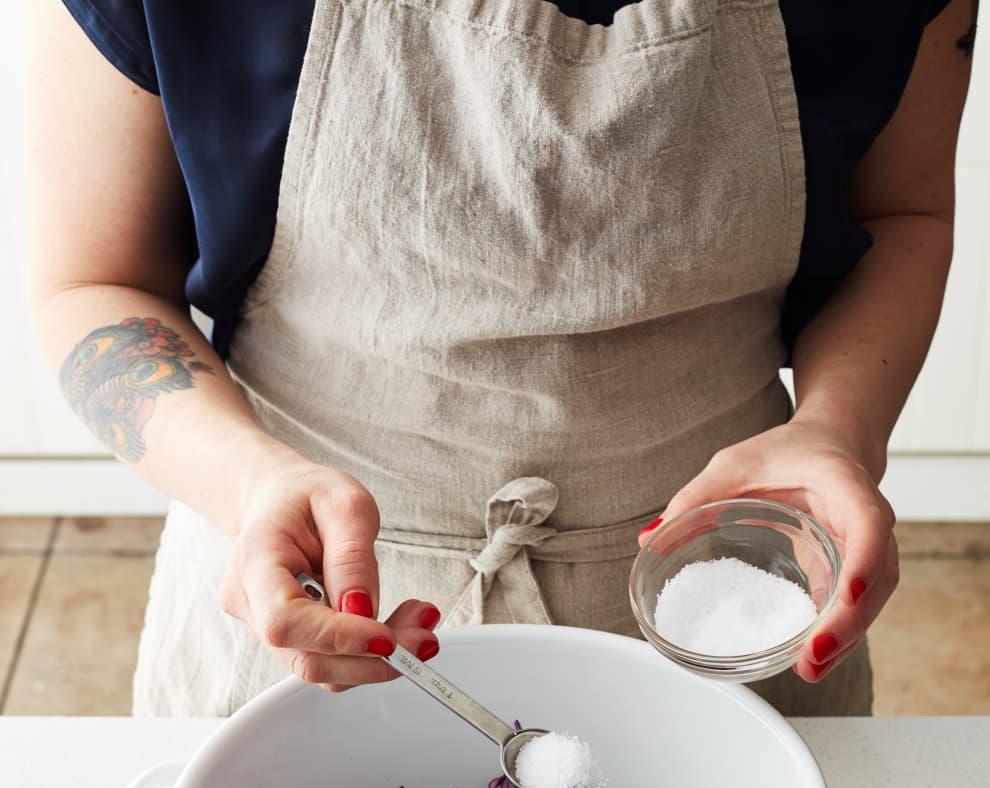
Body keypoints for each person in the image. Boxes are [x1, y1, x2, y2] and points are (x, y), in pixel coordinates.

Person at [26, 0, 976, 717]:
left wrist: (836, 432)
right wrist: (246, 484)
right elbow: (96, 284)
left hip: (729, 612)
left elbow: (903, 213)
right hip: (308, 612)